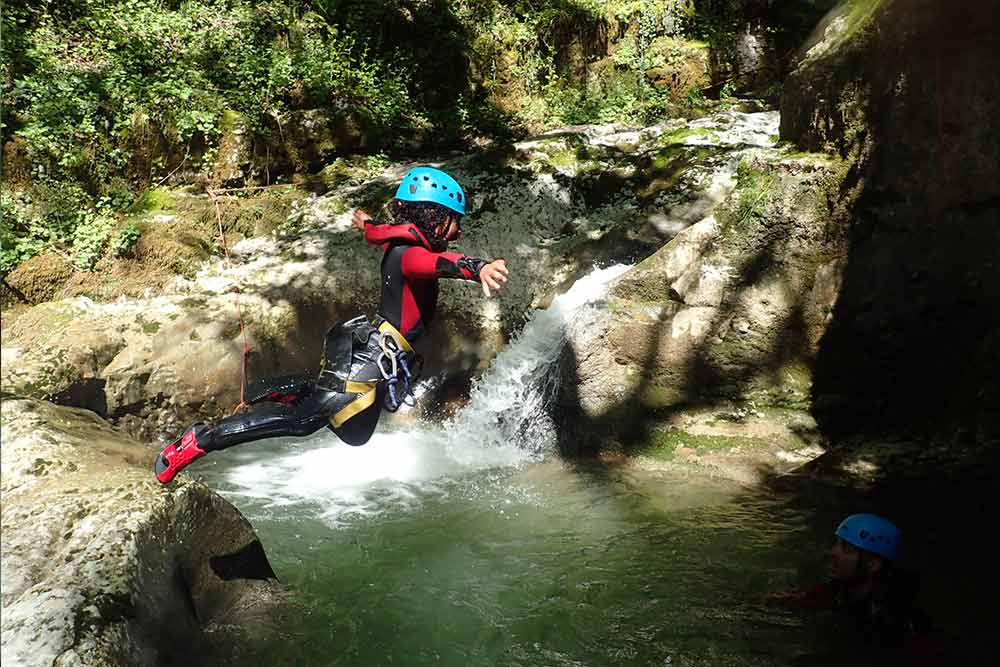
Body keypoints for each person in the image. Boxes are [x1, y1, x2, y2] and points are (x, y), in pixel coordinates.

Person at [154, 166, 510, 484]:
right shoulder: (410, 255)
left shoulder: (398, 239)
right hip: (367, 360)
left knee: (356, 434)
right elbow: (440, 263)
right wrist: (477, 268)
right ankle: (199, 440)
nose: (458, 229)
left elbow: (376, 233)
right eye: (453, 219)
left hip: (371, 351)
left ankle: (295, 390)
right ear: (434, 217)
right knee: (303, 422)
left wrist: (366, 225)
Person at [767, 513, 944, 666]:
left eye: (846, 548)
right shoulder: (840, 587)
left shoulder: (893, 619)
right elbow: (804, 597)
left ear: (872, 564)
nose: (833, 552)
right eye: (836, 543)